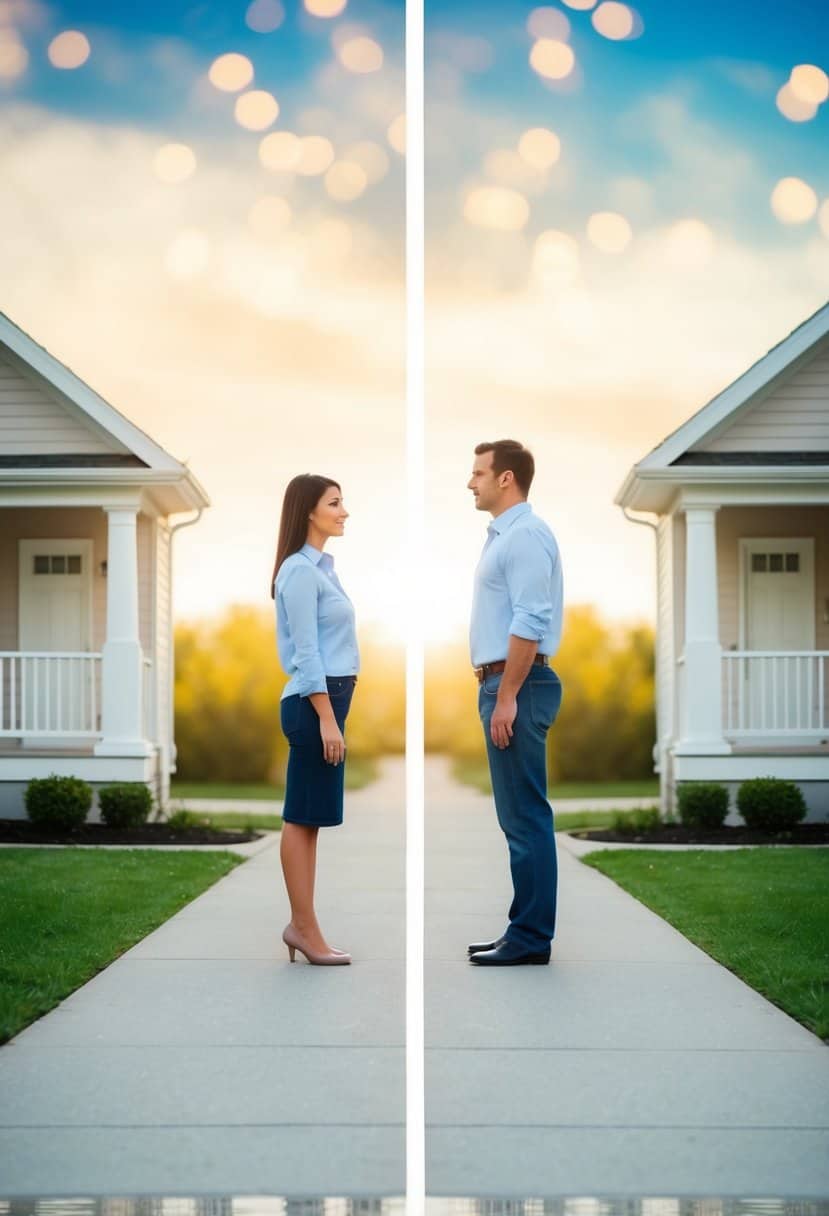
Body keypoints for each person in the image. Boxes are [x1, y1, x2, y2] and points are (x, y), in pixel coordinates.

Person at [466, 439, 564, 966]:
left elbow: (531, 619)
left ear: (507, 479)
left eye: (479, 472)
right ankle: (521, 929)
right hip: (507, 683)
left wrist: (506, 697)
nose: (471, 481)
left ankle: (530, 939)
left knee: (525, 817)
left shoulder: (525, 535)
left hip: (517, 684)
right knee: (518, 818)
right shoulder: (507, 536)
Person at [270, 473, 359, 965]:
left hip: (325, 702)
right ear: (309, 510)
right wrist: (327, 719)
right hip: (313, 704)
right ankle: (304, 929)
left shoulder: (322, 569)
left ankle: (303, 926)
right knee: (301, 818)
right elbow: (307, 654)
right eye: (335, 502)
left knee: (309, 821)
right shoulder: (301, 572)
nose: (344, 511)